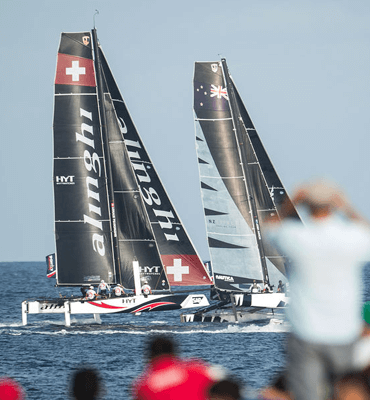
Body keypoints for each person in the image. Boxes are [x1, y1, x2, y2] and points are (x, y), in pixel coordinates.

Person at [266, 179, 370, 400]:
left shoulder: (297, 237)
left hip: (305, 331)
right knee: (344, 391)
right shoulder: (352, 238)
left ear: (307, 205)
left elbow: (270, 227)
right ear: (334, 204)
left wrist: (291, 201)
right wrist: (347, 206)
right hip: (343, 333)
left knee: (308, 394)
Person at [132, 336, 221, 400]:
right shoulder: (196, 369)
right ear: (174, 353)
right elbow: (226, 384)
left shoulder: (142, 385)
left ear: (150, 356)